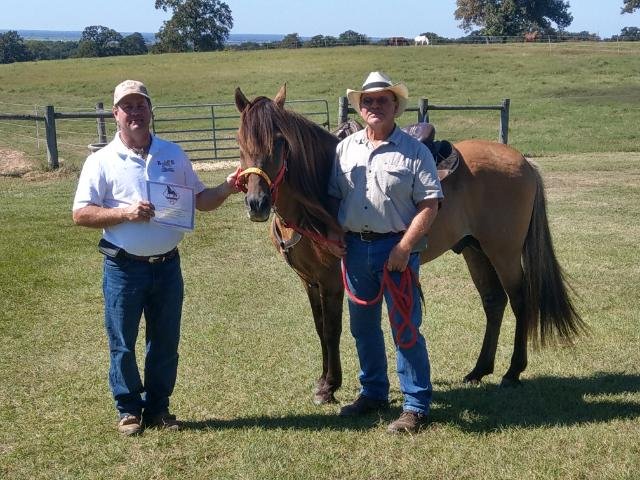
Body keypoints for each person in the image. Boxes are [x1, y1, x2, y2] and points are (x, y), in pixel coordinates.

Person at [72, 80, 241, 436]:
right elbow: (81, 214)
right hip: (123, 267)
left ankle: (159, 408)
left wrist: (227, 186)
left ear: (151, 111)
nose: (134, 112)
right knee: (123, 342)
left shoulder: (173, 154)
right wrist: (125, 214)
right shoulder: (100, 161)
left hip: (167, 265)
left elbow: (201, 200)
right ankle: (129, 409)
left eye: (140, 105)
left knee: (165, 341)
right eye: (127, 106)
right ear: (116, 114)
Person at [327, 71, 443, 434]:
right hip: (355, 250)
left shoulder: (415, 152)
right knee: (363, 329)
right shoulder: (345, 149)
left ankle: (415, 405)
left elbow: (429, 205)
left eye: (382, 100)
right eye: (368, 101)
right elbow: (334, 197)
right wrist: (332, 235)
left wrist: (405, 247)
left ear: (396, 106)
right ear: (360, 108)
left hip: (396, 250)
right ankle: (373, 392)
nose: (374, 106)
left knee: (405, 328)